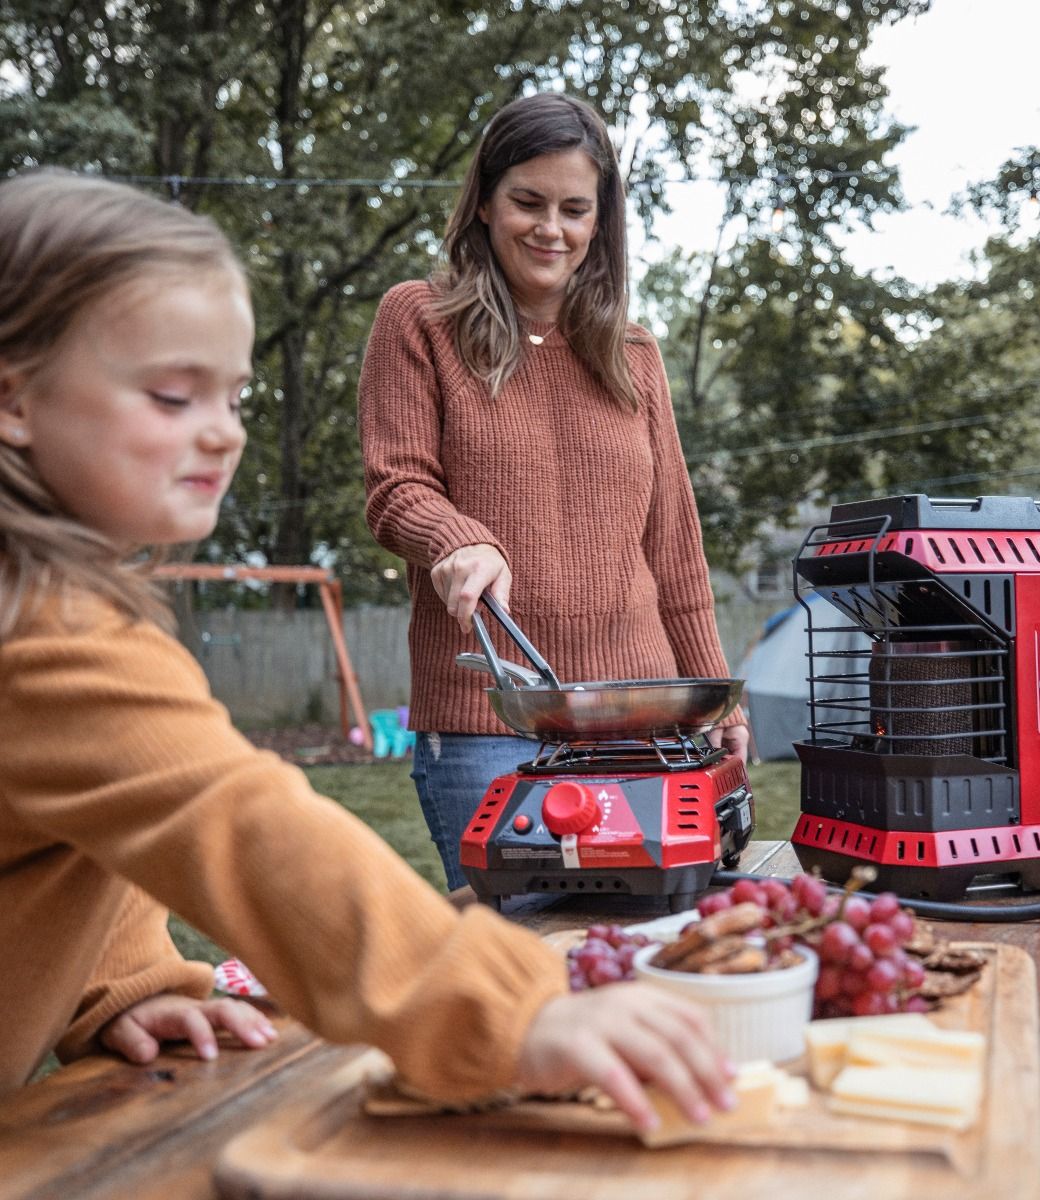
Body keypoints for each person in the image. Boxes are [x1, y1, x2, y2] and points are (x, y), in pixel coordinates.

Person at [0, 169, 737, 1135]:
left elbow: (105, 816)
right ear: (14, 402)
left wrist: (123, 987)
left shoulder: (58, 606)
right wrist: (515, 1008)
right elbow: (234, 823)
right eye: (174, 396)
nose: (223, 433)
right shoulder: (40, 636)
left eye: (235, 395)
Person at [359, 93, 750, 891]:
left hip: (645, 725)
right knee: (527, 973)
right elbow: (395, 484)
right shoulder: (419, 319)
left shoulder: (634, 355)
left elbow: (674, 550)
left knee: (651, 956)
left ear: (601, 223)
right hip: (489, 725)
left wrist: (720, 709)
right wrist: (455, 537)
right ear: (485, 204)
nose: (552, 229)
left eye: (575, 209)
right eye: (527, 202)